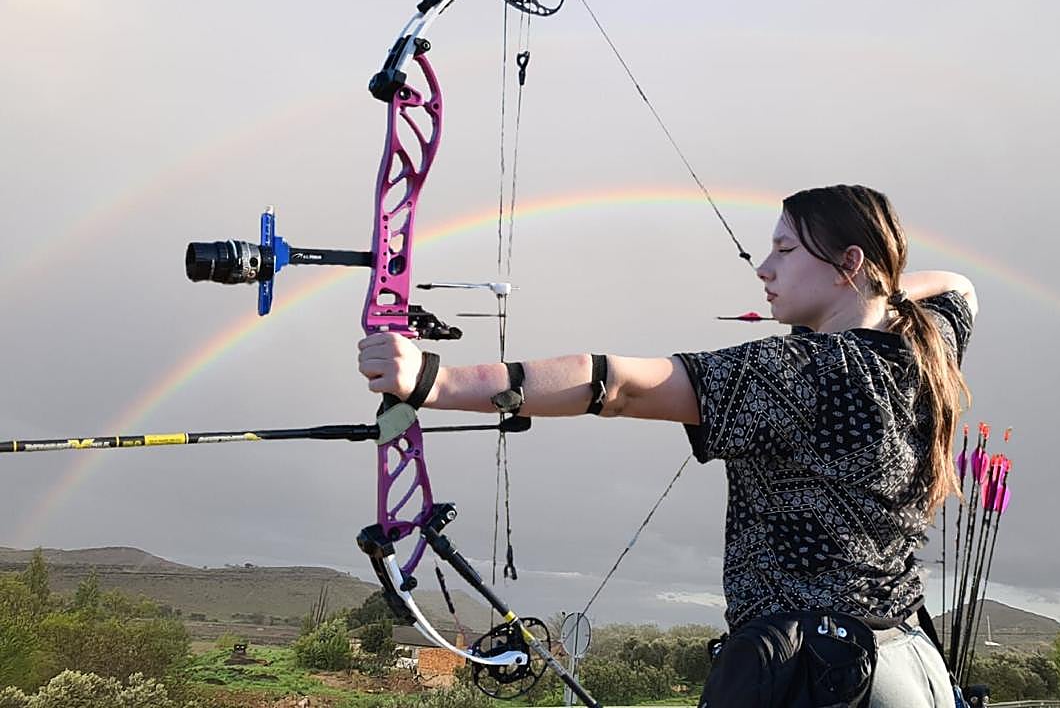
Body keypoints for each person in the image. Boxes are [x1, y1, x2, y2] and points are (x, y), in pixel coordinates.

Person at [358, 184, 976, 707]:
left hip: (816, 677)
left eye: (785, 250)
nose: (765, 267)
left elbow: (615, 385)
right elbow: (959, 286)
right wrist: (868, 298)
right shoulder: (927, 350)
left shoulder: (798, 374)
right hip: (909, 669)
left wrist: (434, 381)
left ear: (850, 261)